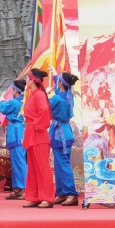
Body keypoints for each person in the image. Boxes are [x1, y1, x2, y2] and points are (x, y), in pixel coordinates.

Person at [22, 68, 54, 208]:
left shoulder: (39, 94)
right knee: (33, 168)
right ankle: (35, 196)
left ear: (33, 80)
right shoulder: (32, 94)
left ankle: (47, 197)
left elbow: (44, 111)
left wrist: (37, 124)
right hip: (32, 133)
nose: (26, 81)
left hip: (38, 133)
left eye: (27, 78)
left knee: (42, 168)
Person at [48, 67, 79, 206]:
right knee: (59, 163)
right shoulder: (68, 95)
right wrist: (55, 75)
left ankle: (71, 193)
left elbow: (43, 107)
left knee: (63, 164)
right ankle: (61, 192)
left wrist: (45, 93)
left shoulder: (56, 99)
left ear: (60, 84)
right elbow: (59, 88)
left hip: (59, 134)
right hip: (65, 131)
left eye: (58, 81)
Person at [0, 79, 28, 201]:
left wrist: (1, 101)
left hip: (16, 133)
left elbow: (4, 108)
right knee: (17, 162)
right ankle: (17, 188)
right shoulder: (23, 101)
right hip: (19, 132)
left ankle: (23, 187)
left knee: (19, 162)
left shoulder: (15, 102)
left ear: (16, 91)